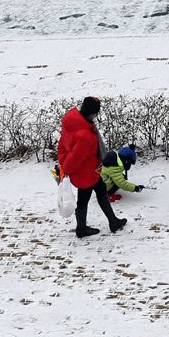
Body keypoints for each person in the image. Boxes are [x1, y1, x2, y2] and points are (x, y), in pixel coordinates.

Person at [58, 96, 127, 237]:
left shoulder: (72, 121)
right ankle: (82, 229)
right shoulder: (85, 136)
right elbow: (74, 158)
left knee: (100, 192)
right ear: (93, 113)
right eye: (96, 113)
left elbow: (62, 144)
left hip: (90, 170)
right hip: (86, 173)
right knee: (84, 200)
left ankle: (112, 221)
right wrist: (66, 169)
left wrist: (63, 161)